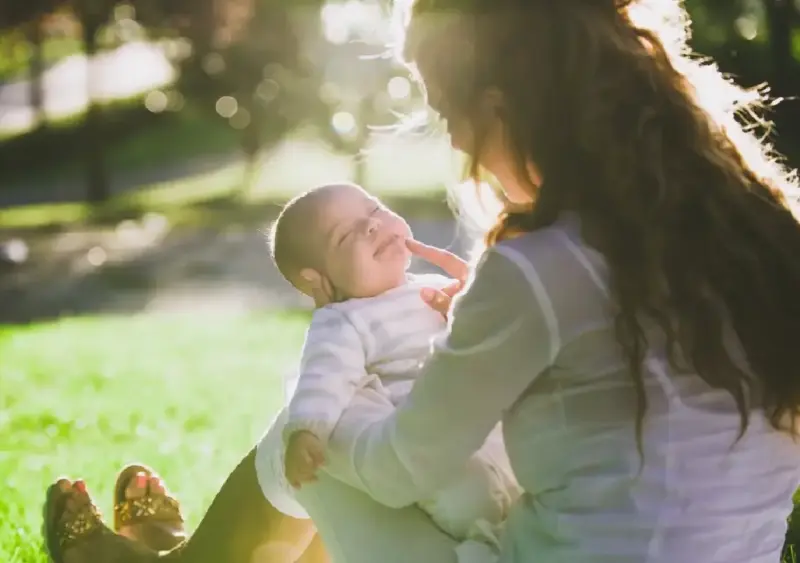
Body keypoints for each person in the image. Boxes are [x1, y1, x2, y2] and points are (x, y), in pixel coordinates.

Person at [42, 0, 800, 561]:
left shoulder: (538, 266)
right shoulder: (764, 235)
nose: (458, 143)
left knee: (316, 427)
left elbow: (402, 468)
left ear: (502, 110)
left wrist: (320, 424)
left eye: (449, 116)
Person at [274, 182, 520, 558]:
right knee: (470, 500)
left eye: (374, 211)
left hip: (483, 425)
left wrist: (469, 302)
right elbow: (323, 377)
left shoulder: (435, 287)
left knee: (517, 480)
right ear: (317, 278)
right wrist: (307, 429)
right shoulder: (342, 321)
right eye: (345, 236)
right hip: (431, 443)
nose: (371, 227)